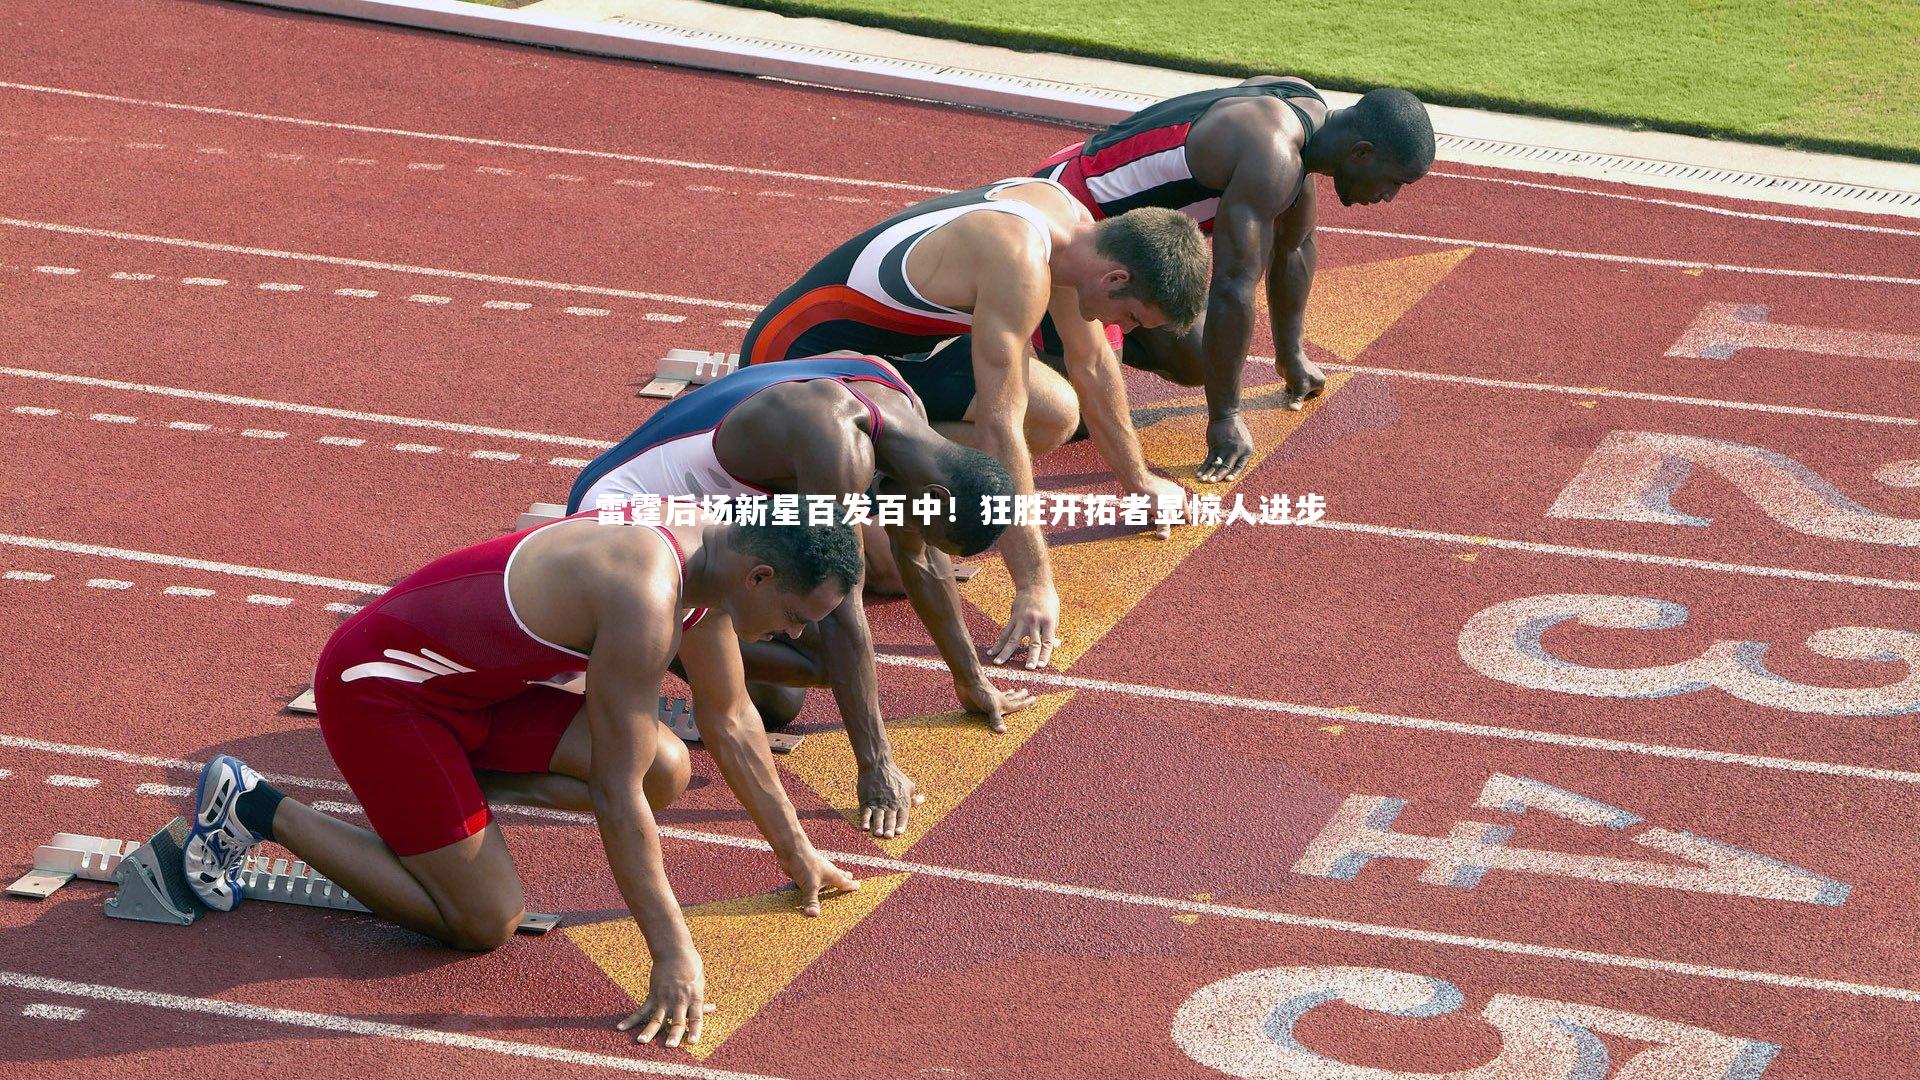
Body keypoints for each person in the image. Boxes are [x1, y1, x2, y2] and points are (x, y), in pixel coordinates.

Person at [182, 515, 864, 1050]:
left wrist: (796, 850)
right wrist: (673, 954)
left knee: (668, 768)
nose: (800, 632)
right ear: (760, 576)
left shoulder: (713, 562)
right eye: (800, 615)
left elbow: (732, 716)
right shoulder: (647, 595)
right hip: (383, 691)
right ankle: (254, 805)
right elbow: (614, 794)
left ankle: (442, 798)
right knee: (485, 921)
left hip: (475, 695)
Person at [740, 176, 1210, 668]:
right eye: (1131, 318)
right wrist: (1034, 584)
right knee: (888, 569)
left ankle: (883, 460)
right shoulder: (1019, 261)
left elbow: (1091, 364)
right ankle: (855, 463)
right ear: (1115, 279)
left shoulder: (1076, 232)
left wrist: (1140, 482)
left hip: (885, 354)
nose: (1126, 330)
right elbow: (998, 427)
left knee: (1055, 413)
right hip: (792, 361)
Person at [565, 352, 1035, 838]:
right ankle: (644, 643)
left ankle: (678, 643)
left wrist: (972, 680)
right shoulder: (835, 447)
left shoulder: (905, 415)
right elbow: (840, 609)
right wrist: (876, 766)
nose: (913, 533)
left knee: (788, 695)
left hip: (705, 516)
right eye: (926, 524)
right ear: (934, 497)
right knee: (827, 659)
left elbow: (919, 558)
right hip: (620, 514)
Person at [1034, 82, 1435, 481]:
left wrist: (1291, 355)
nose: (1388, 197)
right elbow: (1232, 286)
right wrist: (1225, 417)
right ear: (1361, 152)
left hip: (1112, 232)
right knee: (1076, 414)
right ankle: (1016, 338)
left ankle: (1086, 337)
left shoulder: (1304, 114)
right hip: (1070, 221)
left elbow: (1294, 245)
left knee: (1197, 354)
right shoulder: (1272, 155)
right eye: (1394, 182)